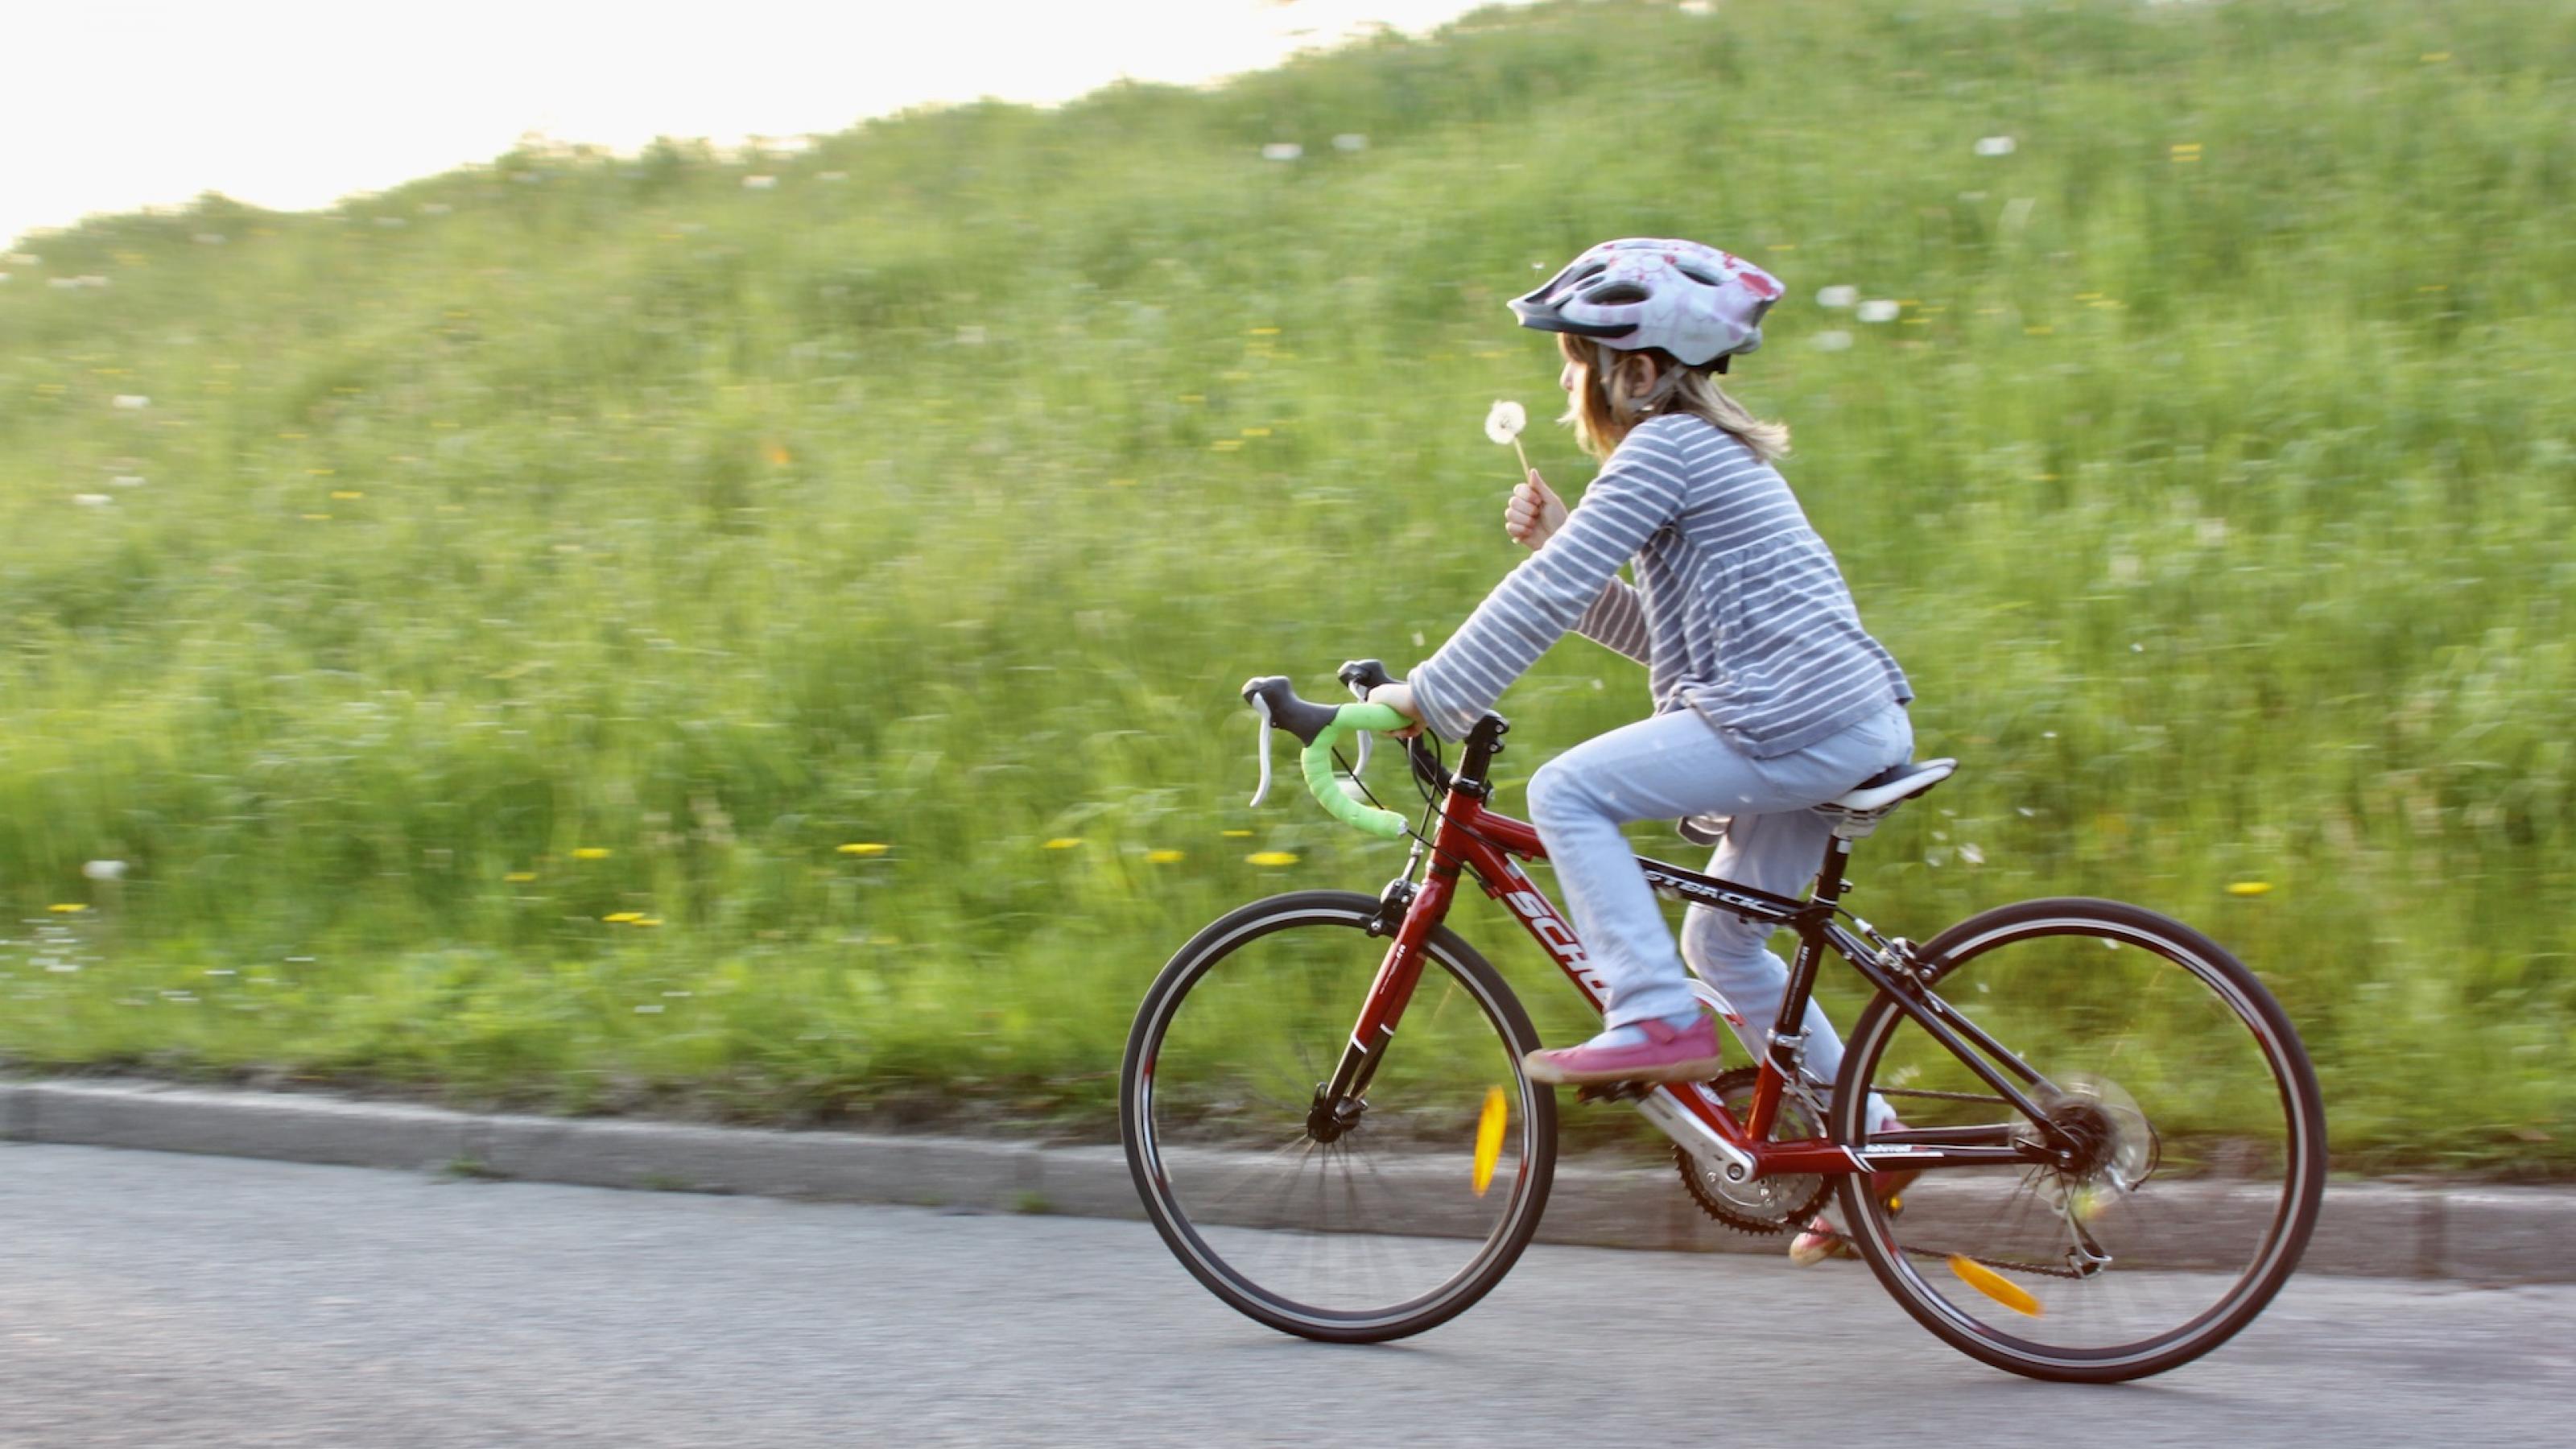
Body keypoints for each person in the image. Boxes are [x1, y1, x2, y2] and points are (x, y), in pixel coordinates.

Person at [1363, 238, 1917, 1262]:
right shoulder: (1699, 456)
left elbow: (1550, 591)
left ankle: (1654, 1018)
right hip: (1826, 717)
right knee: (1722, 941)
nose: (1567, 388)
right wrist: (1561, 535)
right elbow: (1658, 638)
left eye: (1573, 364)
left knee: (1565, 790)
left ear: (1635, 372)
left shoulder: (1666, 449)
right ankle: (1871, 1146)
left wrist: (1428, 697)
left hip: (1795, 718)